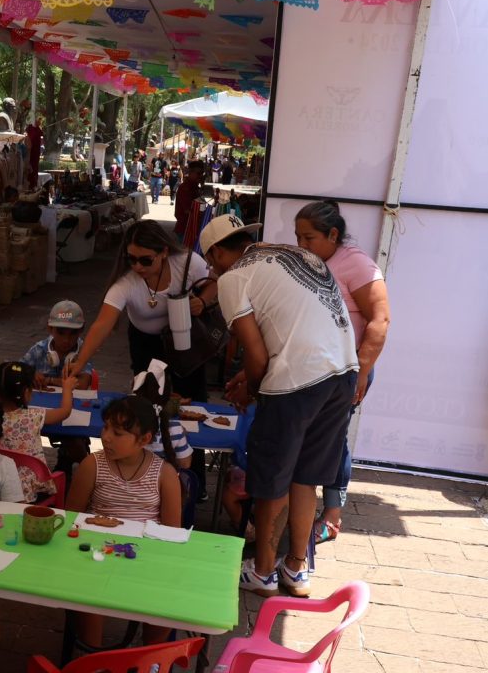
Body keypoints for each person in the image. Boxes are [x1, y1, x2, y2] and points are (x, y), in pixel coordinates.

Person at [200, 214, 358, 598]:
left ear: (217, 253)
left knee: (273, 480)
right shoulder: (299, 256)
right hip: (342, 374)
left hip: (296, 383)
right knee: (305, 477)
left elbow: (256, 356)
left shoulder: (233, 278)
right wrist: (252, 379)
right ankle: (296, 570)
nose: (211, 270)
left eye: (209, 262)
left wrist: (250, 390)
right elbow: (291, 330)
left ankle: (263, 572)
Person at [294, 200, 391, 544]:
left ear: (333, 235)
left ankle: (332, 515)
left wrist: (361, 372)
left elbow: (380, 320)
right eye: (298, 237)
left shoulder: (357, 264)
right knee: (315, 439)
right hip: (313, 371)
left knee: (334, 440)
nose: (301, 244)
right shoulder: (309, 262)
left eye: (308, 238)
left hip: (346, 372)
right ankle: (303, 506)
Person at [65, 394, 181, 645]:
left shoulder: (164, 474)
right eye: (106, 427)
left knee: (166, 605)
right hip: (96, 553)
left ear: (144, 440)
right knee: (89, 595)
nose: (106, 437)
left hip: (145, 558)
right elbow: (71, 517)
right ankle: (93, 656)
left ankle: (149, 657)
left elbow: (172, 534)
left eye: (117, 433)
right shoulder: (92, 465)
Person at [68, 221, 215, 402]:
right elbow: (102, 325)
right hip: (144, 342)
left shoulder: (187, 262)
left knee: (192, 396)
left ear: (164, 252)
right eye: (132, 259)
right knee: (146, 397)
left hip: (185, 337)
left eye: (146, 260)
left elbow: (213, 282)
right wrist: (80, 362)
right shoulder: (125, 283)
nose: (138, 266)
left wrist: (202, 301)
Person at [0, 362, 75, 501]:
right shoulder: (33, 416)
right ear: (26, 392)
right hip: (31, 489)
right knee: (63, 471)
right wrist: (67, 388)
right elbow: (65, 411)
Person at [21, 300, 93, 390]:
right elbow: (16, 371)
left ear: (81, 330)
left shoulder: (84, 351)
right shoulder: (38, 350)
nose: (66, 340)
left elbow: (83, 384)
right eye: (60, 333)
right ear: (50, 328)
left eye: (73, 333)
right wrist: (30, 375)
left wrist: (49, 380)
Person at [174, 160, 206, 240]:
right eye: (198, 173)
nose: (200, 176)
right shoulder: (185, 188)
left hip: (192, 227)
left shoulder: (195, 187)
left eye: (202, 174)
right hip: (185, 228)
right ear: (191, 172)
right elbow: (188, 210)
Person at [25, 115, 44, 188]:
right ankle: (29, 183)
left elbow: (41, 134)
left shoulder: (39, 130)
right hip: (30, 151)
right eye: (38, 121)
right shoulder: (30, 128)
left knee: (34, 168)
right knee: (30, 167)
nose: (39, 123)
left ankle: (33, 184)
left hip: (36, 152)